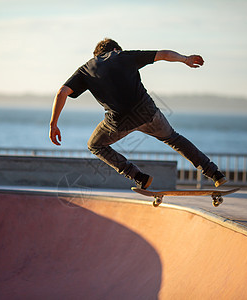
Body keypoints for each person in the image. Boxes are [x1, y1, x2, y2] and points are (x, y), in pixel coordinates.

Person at [49, 38, 226, 189]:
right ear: (116, 49)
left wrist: (53, 124)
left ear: (96, 55)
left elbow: (61, 92)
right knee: (174, 138)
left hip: (118, 122)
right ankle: (215, 173)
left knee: (95, 145)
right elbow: (163, 54)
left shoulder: (85, 69)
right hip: (147, 112)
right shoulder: (124, 55)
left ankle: (138, 177)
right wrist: (185, 59)